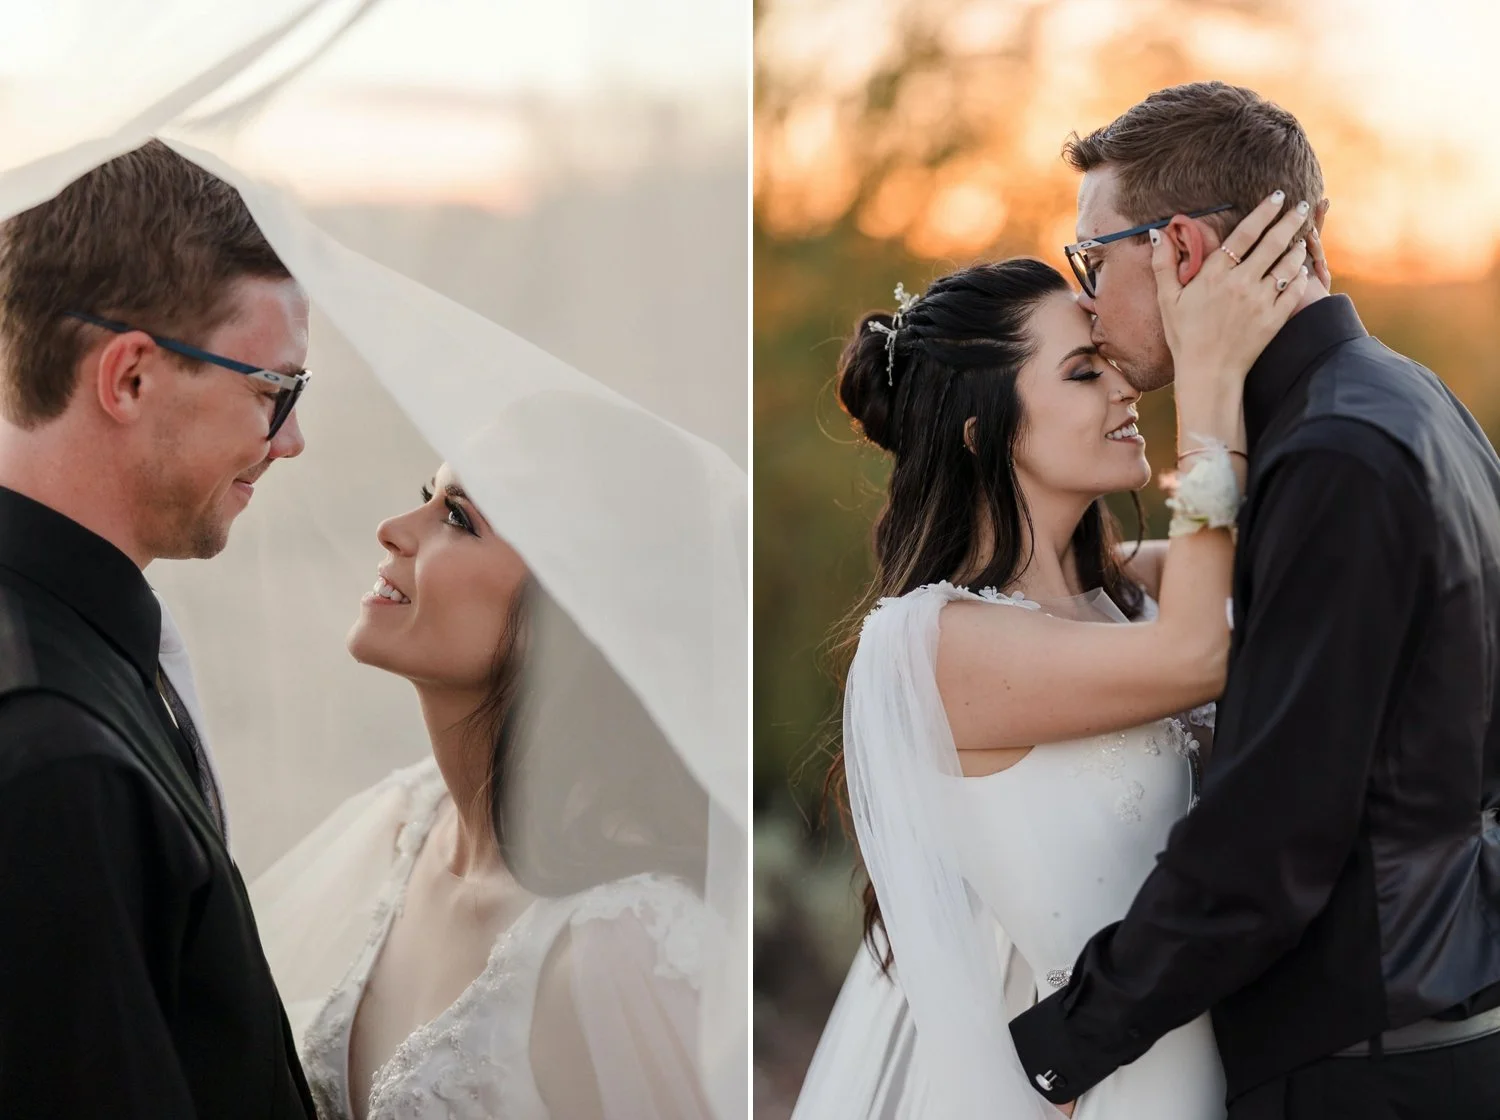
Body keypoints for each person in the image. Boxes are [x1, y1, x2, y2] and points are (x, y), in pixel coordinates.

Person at [1009, 82, 1500, 1120]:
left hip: (1362, 1063)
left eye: (1093, 260)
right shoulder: (1409, 402)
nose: (1087, 299)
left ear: (1180, 248)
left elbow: (1272, 833)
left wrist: (1070, 1038)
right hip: (1426, 1012)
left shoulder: (1331, 459)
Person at [794, 190, 1312, 1119]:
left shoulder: (1127, 592)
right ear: (980, 426)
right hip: (1125, 1082)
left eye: (1112, 361)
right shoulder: (939, 643)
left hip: (1231, 1056)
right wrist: (1209, 387)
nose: (1125, 389)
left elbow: (1286, 554)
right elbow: (1197, 656)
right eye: (1083, 372)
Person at [251, 463, 720, 1120]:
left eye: (459, 519)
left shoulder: (615, 950)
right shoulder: (398, 828)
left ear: (572, 612)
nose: (392, 531)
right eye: (427, 498)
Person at [0, 141, 315, 1116]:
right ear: (130, 377)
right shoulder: (57, 757)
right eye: (274, 390)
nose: (291, 440)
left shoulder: (78, 655)